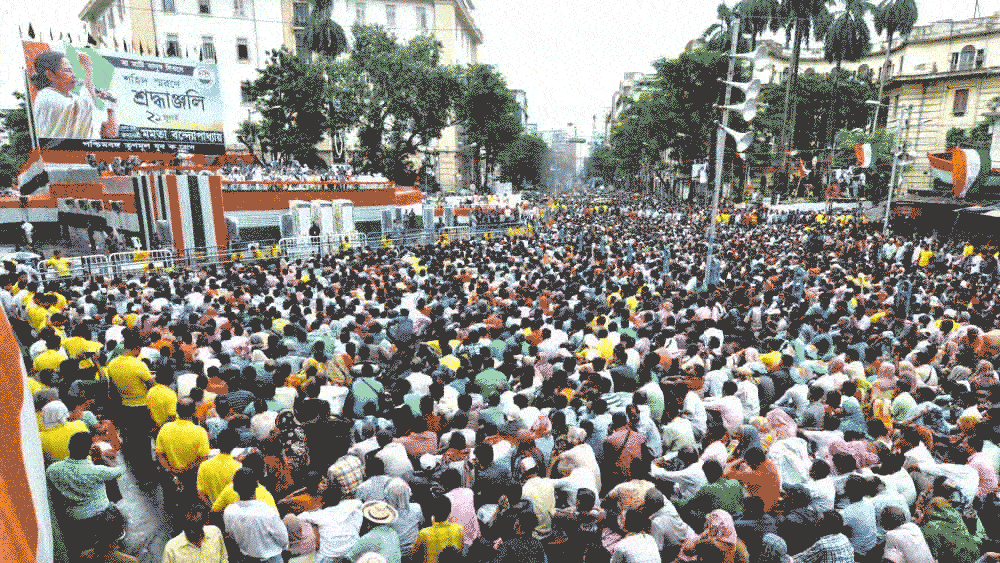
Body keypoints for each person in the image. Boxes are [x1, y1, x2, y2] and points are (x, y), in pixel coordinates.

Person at [46, 432, 125, 556]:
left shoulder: (53, 470)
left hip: (75, 520)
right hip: (102, 518)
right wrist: (101, 457)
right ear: (89, 451)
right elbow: (119, 470)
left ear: (69, 447)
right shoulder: (96, 470)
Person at [30, 50, 117, 139]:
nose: (74, 75)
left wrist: (111, 106)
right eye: (68, 70)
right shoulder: (46, 96)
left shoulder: (74, 98)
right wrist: (87, 70)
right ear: (50, 75)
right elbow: (83, 105)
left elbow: (110, 134)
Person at [223, 469, 288, 563]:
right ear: (257, 484)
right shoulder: (267, 511)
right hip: (271, 559)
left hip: (245, 559)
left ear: (234, 488)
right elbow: (284, 540)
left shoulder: (229, 511)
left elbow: (231, 536)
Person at [162, 505, 228, 563]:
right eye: (189, 525)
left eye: (197, 526)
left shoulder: (215, 533)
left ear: (204, 523)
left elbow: (224, 559)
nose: (193, 531)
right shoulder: (171, 549)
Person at [413, 496, 463, 563]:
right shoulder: (459, 529)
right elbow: (460, 551)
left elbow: (415, 554)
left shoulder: (424, 533)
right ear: (450, 511)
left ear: (432, 512)